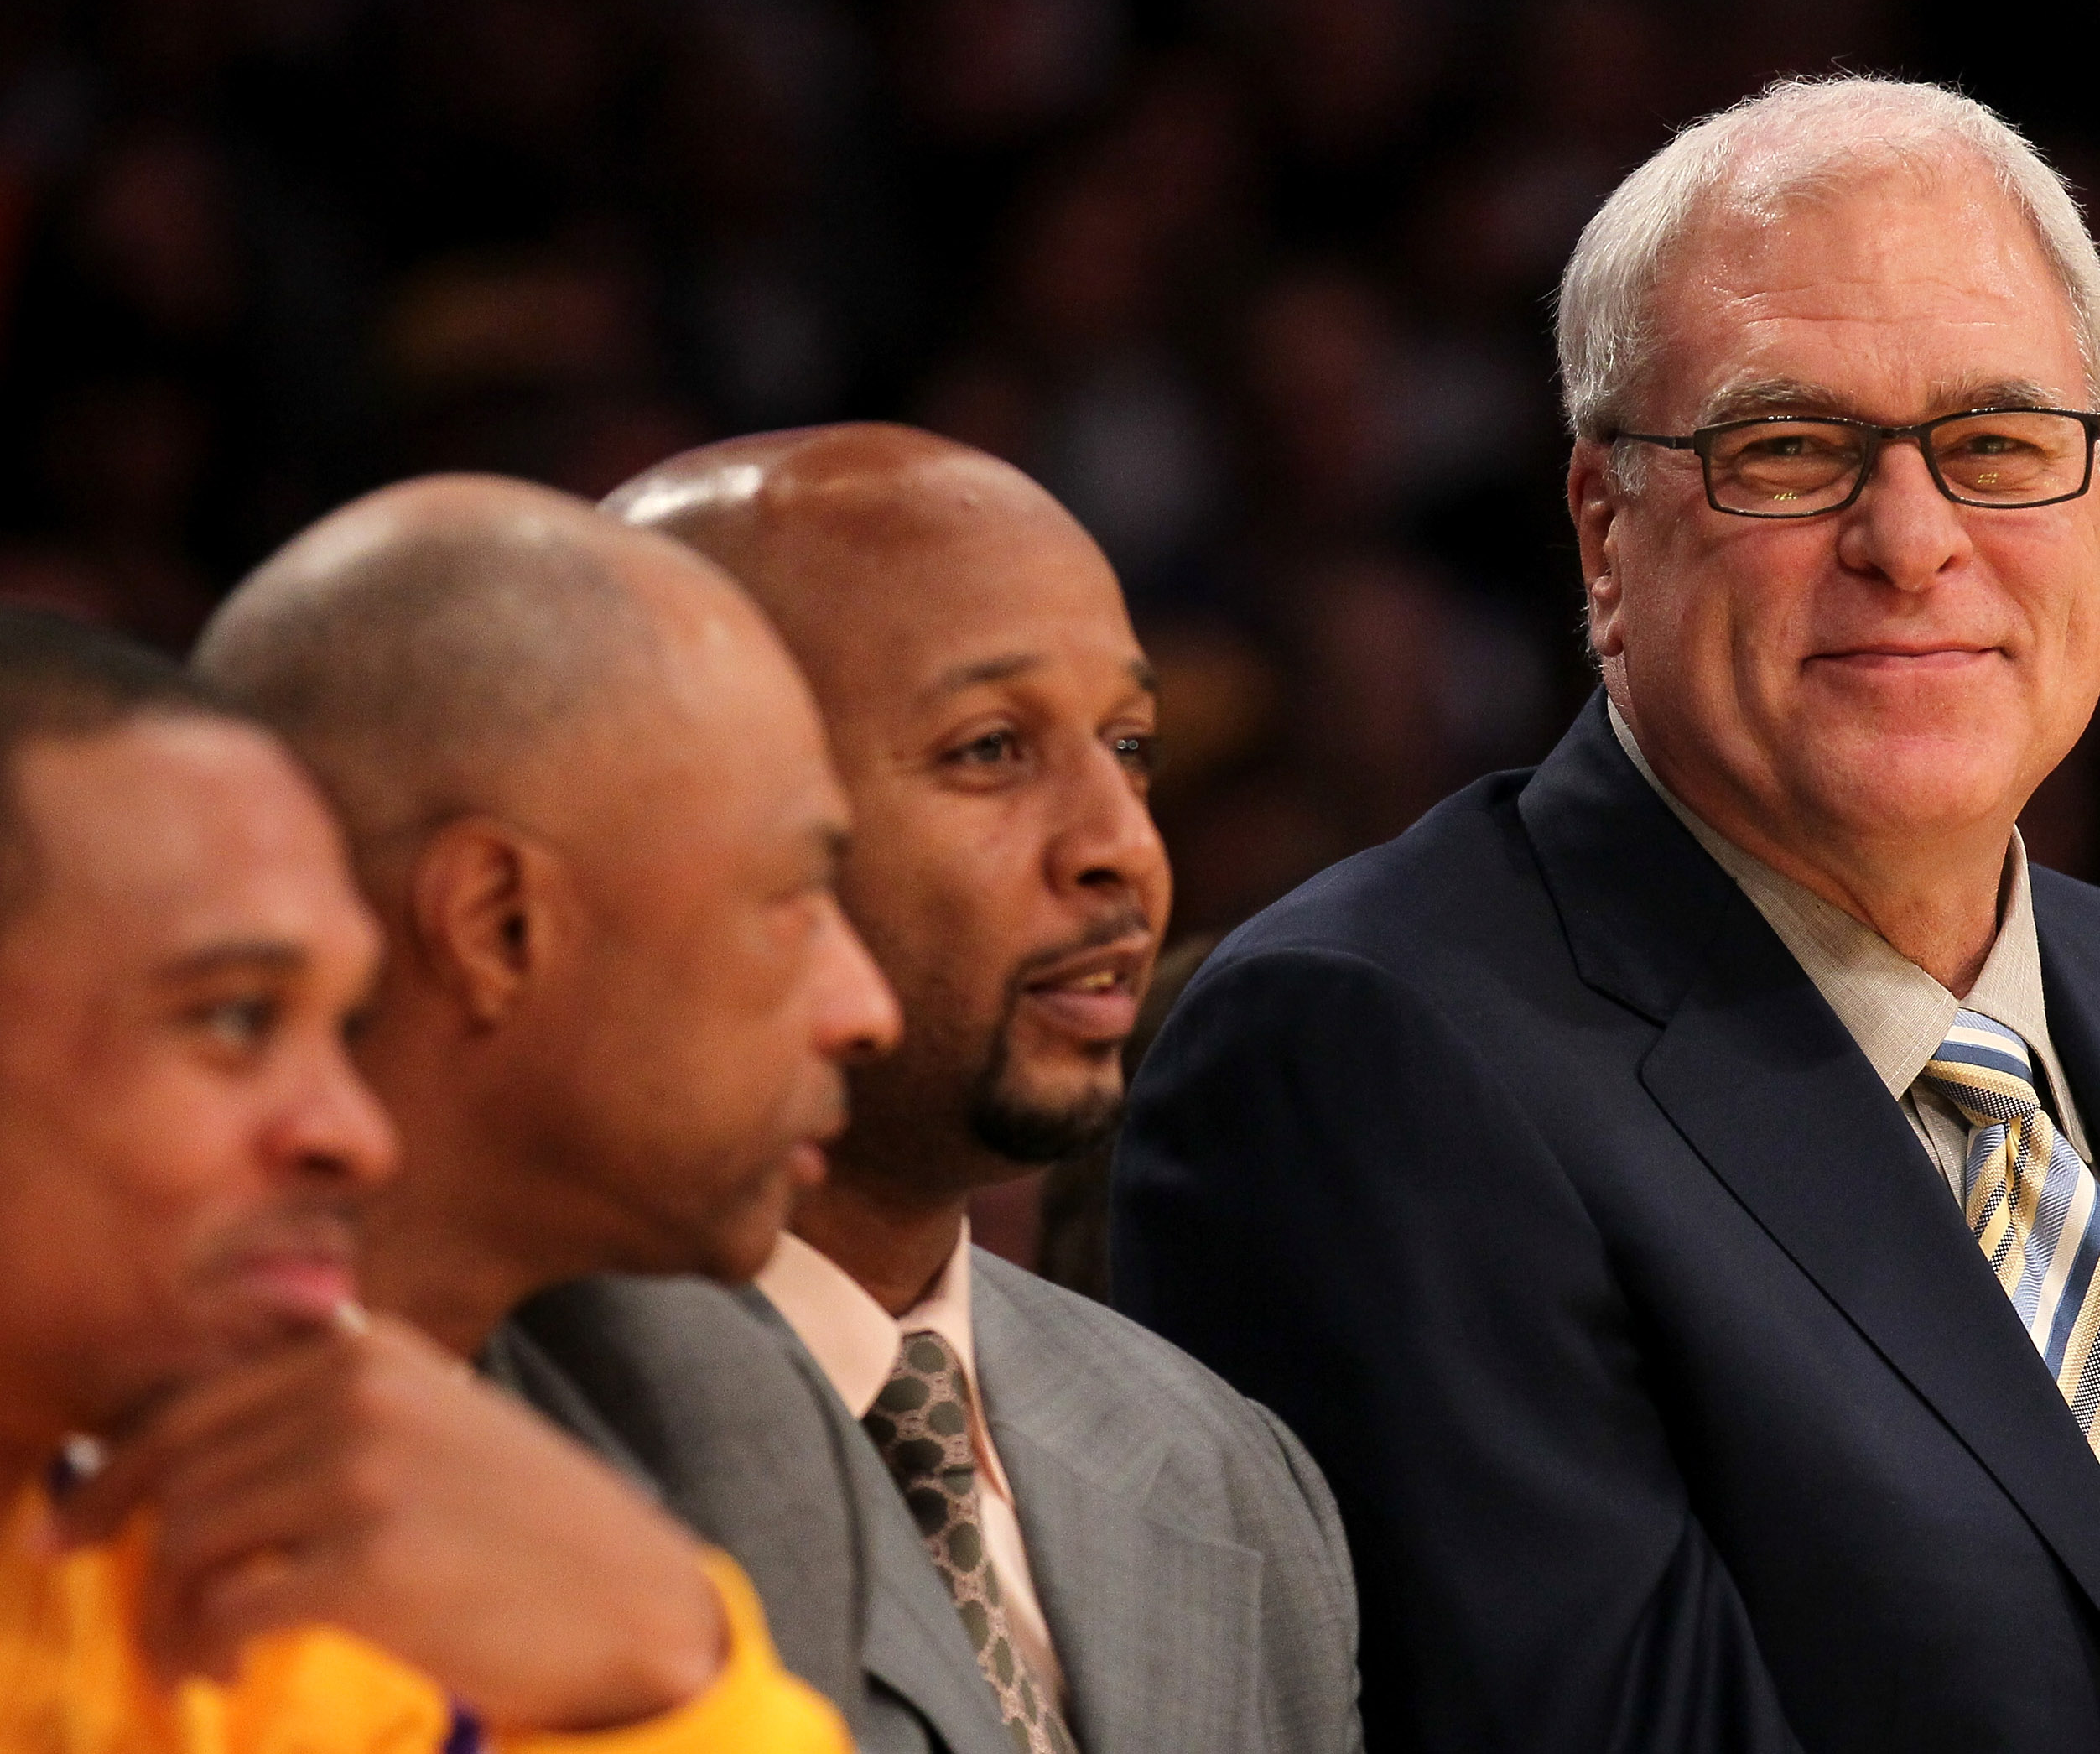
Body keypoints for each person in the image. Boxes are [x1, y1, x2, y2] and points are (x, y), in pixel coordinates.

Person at [1113, 75, 2100, 1754]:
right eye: (1788, 451)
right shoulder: (1367, 1057)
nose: (1913, 539)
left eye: (1998, 445)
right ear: (1604, 530)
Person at [602, 423, 1365, 1754]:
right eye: (991, 750)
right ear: (681, 821)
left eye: (1129, 745)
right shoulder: (489, 1428)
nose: (1121, 846)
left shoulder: (1230, 1468)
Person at [0, 608, 850, 1751]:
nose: (356, 1135)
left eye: (343, 1026)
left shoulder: (258, 1619)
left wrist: (660, 1662)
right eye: (234, 1016)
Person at [192, 474, 905, 1715]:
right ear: (499, 925)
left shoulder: (733, 1432)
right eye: (794, 902)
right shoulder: (62, 1450)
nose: (864, 1009)